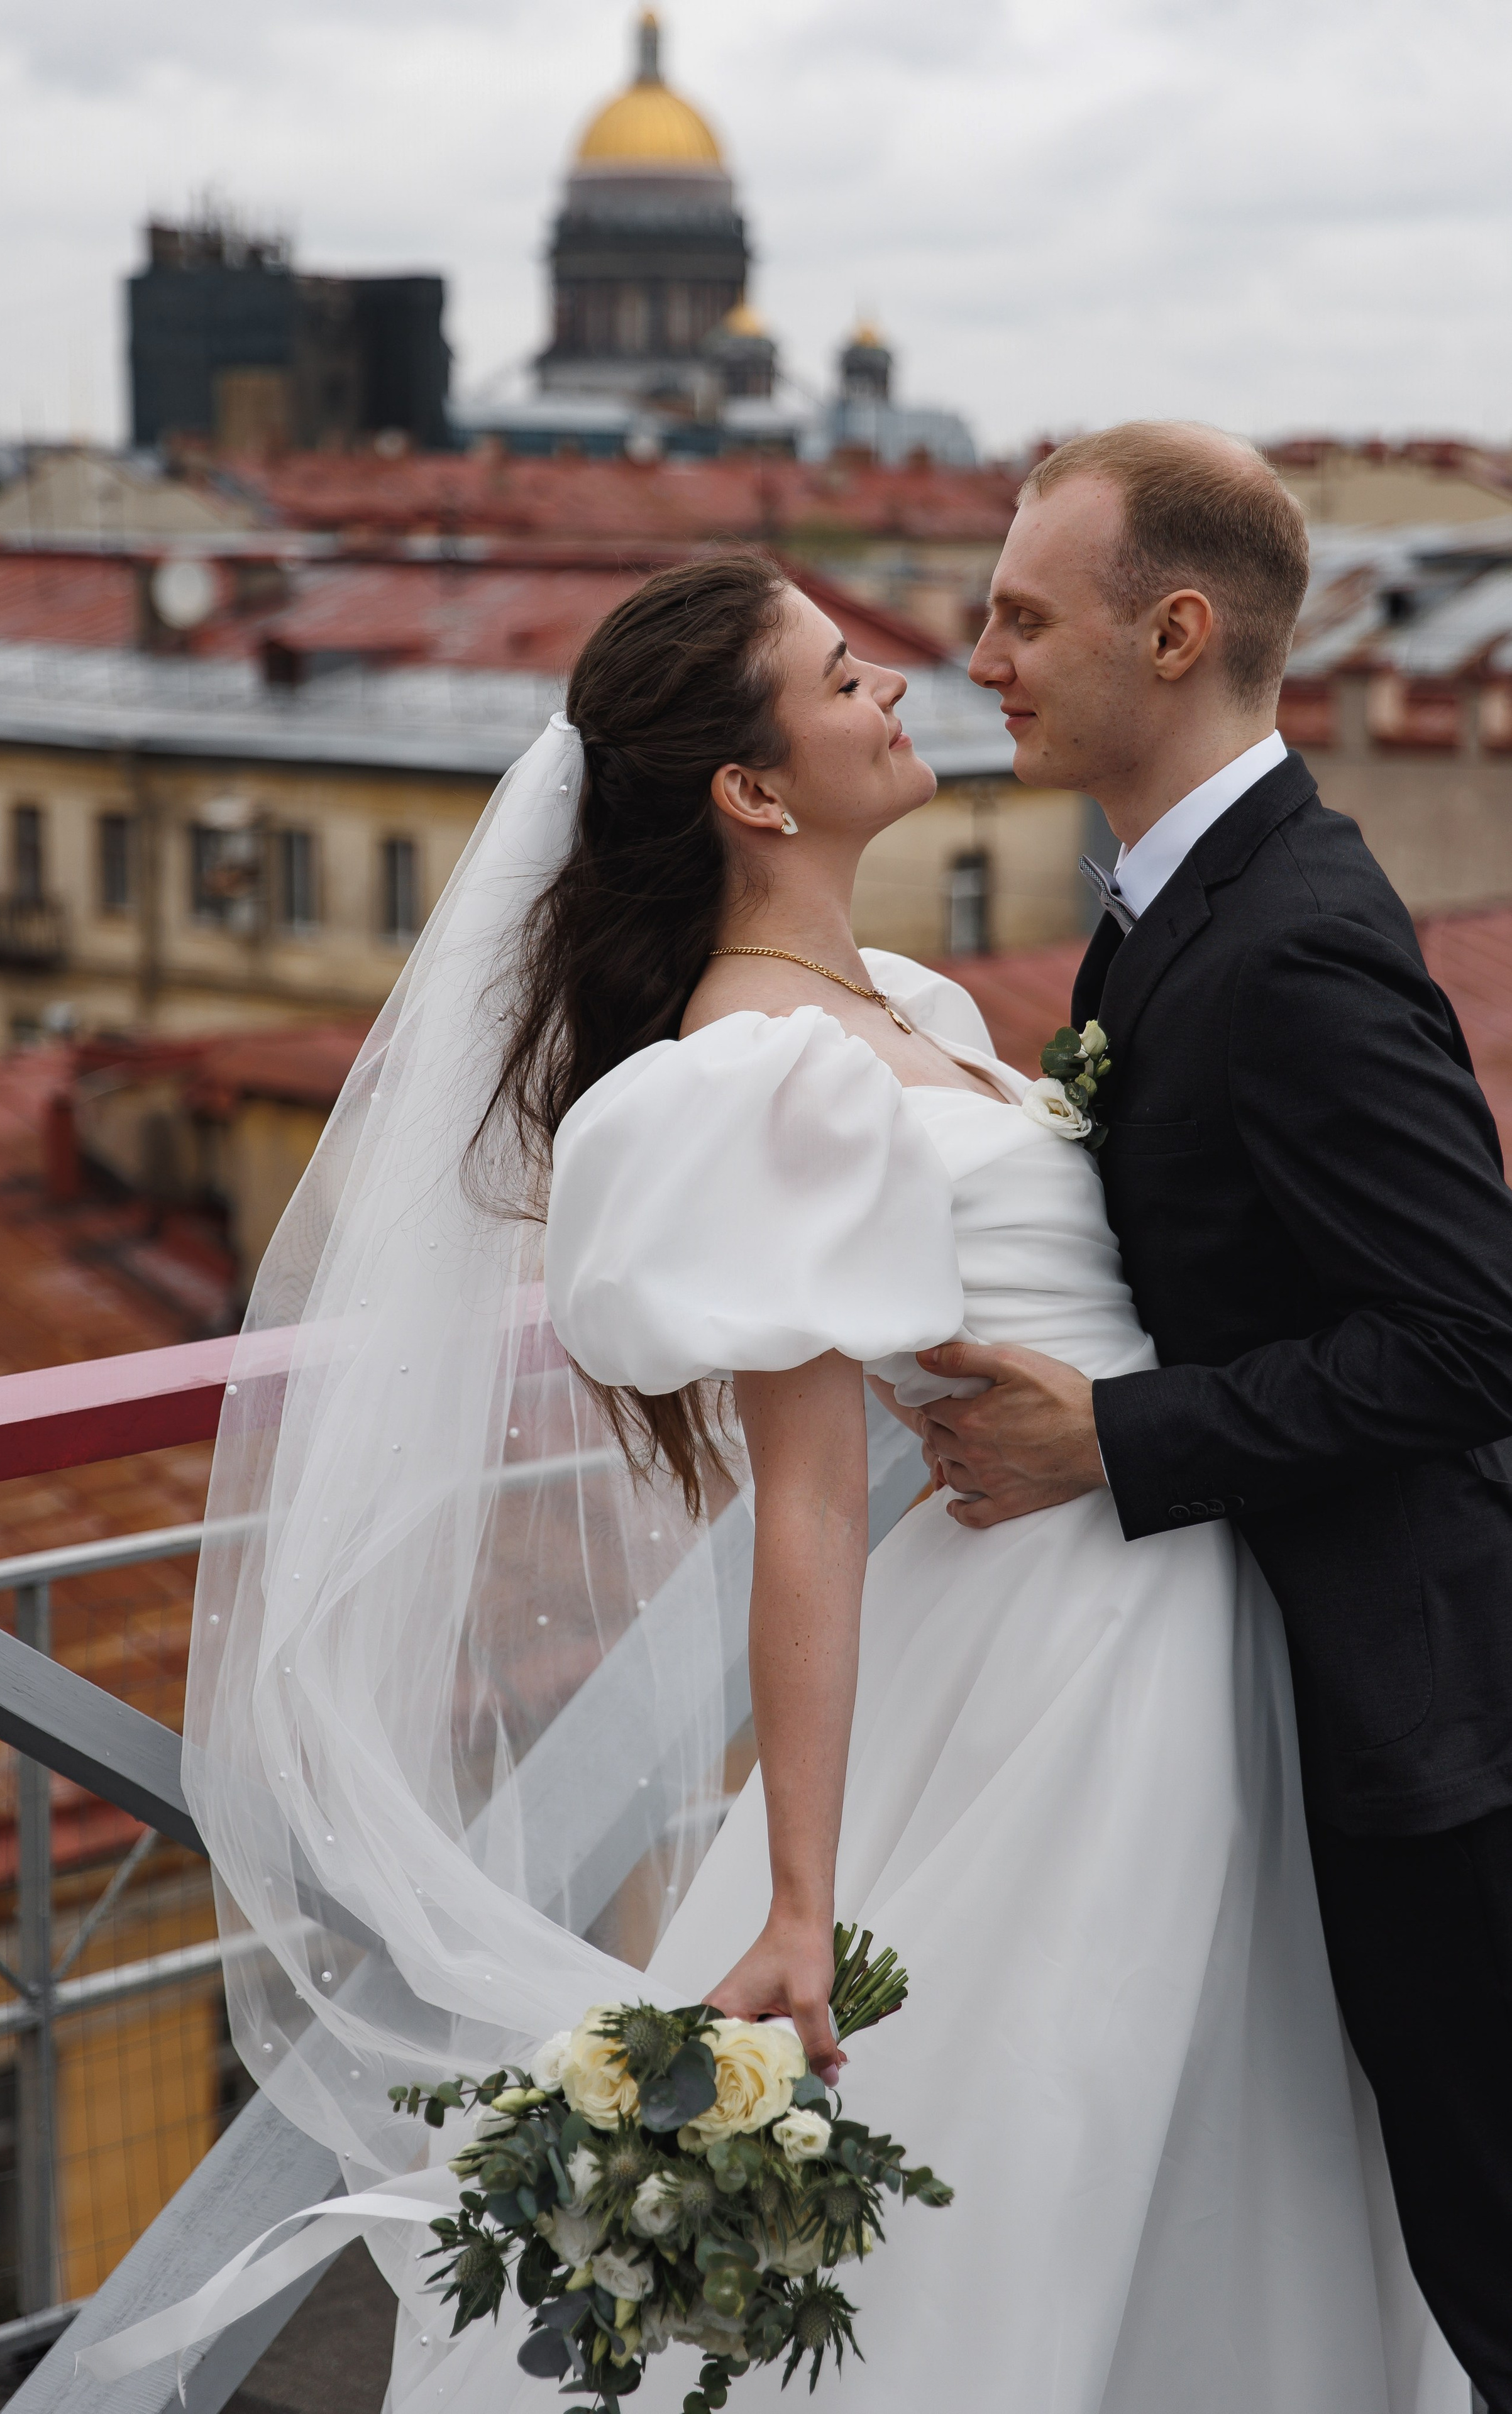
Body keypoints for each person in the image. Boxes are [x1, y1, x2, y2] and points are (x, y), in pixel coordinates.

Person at [157, 552, 1462, 2414]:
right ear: (754, 794)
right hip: (1052, 1649)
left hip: (1173, 1583)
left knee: (1201, 2128)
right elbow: (811, 1502)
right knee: (1045, 2134)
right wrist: (799, 1891)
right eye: (846, 678)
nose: (903, 690)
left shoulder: (912, 1000)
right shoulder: (757, 1075)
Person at [914, 421, 1512, 2412]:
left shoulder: (1294, 936)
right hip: (1311, 1694)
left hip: (1433, 1733)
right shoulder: (1181, 899)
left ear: (1174, 633)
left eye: (1021, 615)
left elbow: (1468, 1334)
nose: (976, 653)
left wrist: (1122, 1437)